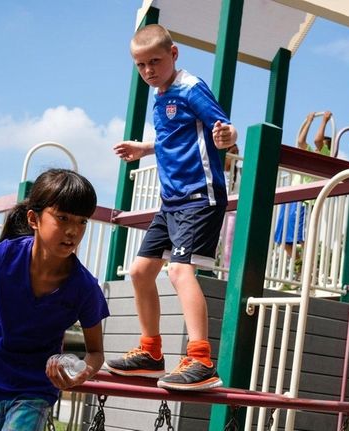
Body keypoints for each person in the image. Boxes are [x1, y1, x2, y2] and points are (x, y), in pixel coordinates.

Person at [108, 24, 237, 390]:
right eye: (141, 65)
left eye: (155, 61)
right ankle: (151, 352)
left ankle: (200, 359)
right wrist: (143, 148)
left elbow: (223, 128)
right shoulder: (160, 93)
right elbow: (175, 135)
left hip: (199, 196)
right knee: (139, 272)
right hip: (171, 202)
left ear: (174, 54)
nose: (148, 70)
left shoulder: (191, 87)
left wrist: (228, 136)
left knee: (179, 272)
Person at [0, 168, 109, 430]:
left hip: (34, 388)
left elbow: (95, 352)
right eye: (62, 218)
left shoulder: (84, 288)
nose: (73, 230)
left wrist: (82, 372)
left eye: (82, 221)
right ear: (33, 219)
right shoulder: (3, 256)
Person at [274, 111, 333, 259]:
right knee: (282, 239)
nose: (318, 146)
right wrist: (308, 121)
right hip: (292, 197)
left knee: (302, 237)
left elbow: (318, 140)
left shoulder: (326, 155)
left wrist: (324, 120)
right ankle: (301, 267)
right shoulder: (310, 153)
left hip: (305, 200)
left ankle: (308, 269)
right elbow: (301, 141)